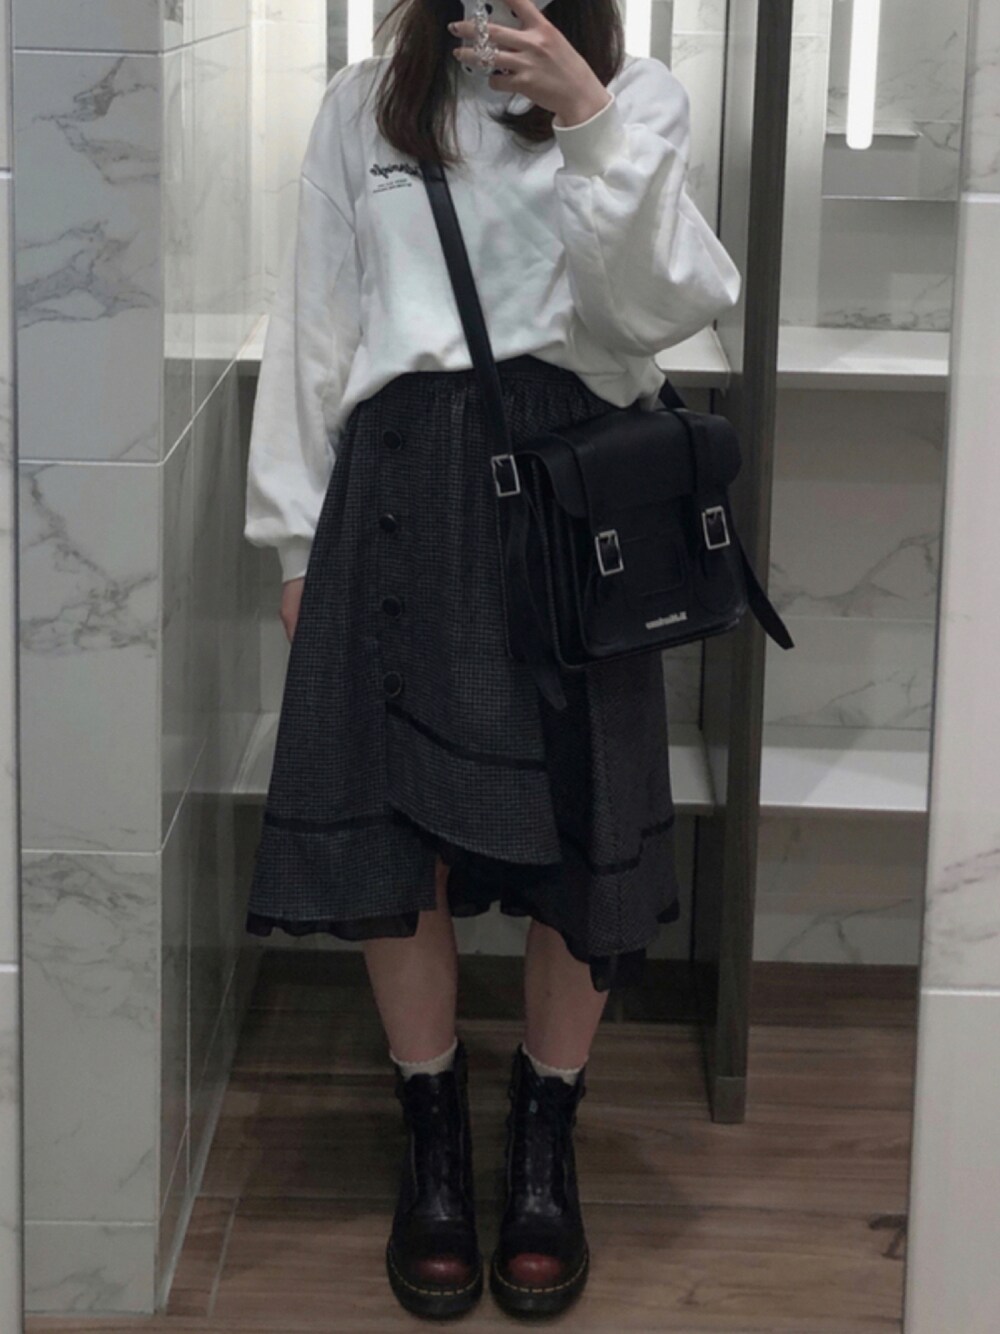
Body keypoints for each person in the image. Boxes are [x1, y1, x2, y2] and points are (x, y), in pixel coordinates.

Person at [243, 0, 742, 1319]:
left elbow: (658, 311)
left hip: (577, 506)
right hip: (398, 494)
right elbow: (314, 320)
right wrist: (293, 539)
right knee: (394, 828)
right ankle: (431, 1129)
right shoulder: (365, 104)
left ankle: (542, 1133)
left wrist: (588, 116)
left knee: (584, 825)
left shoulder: (640, 93)